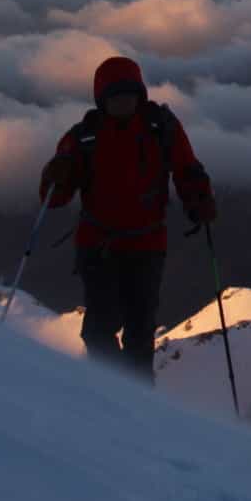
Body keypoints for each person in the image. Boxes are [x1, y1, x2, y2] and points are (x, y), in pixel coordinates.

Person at [37, 55, 217, 383]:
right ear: (102, 100)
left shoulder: (159, 127)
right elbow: (55, 198)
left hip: (144, 245)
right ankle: (120, 397)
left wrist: (198, 198)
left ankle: (129, 403)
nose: (123, 102)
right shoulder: (84, 138)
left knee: (137, 331)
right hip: (101, 246)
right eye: (115, 97)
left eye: (128, 95)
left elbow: (186, 167)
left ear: (140, 95)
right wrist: (55, 176)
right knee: (100, 330)